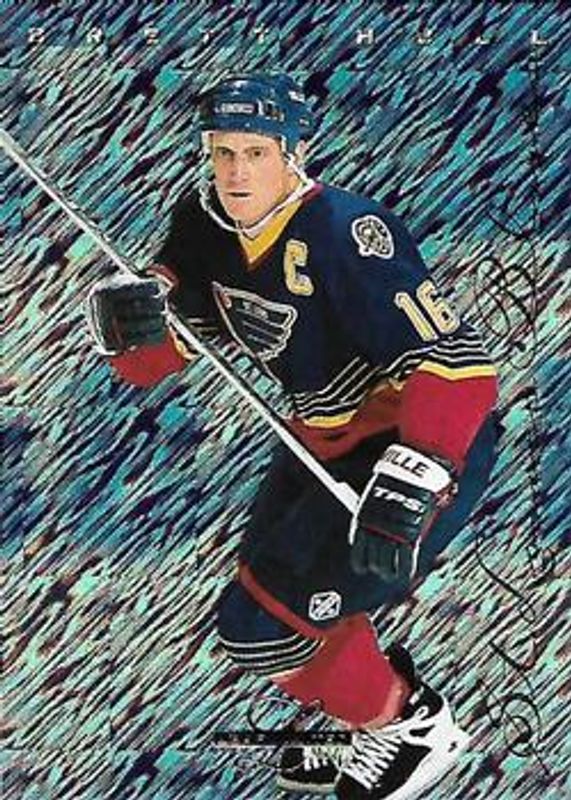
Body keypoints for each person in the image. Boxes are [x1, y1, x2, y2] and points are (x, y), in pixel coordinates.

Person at [85, 73, 499, 799]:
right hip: (317, 438)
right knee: (258, 620)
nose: (237, 172)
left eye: (255, 152)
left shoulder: (346, 233)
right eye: (223, 152)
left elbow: (458, 367)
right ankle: (376, 714)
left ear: (292, 153)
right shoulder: (204, 224)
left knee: (266, 625)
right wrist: (128, 328)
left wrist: (417, 472)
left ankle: (410, 725)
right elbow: (161, 355)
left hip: (411, 445)